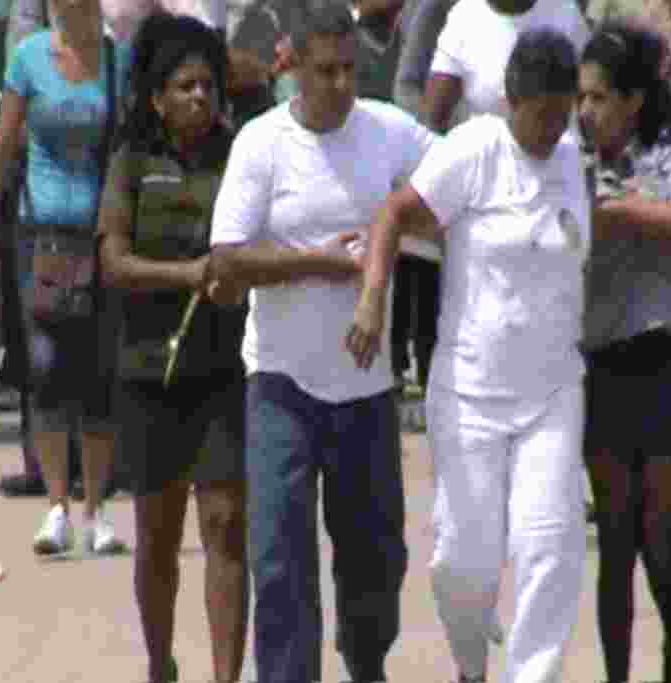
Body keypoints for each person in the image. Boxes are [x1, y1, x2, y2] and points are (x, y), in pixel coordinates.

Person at [347, 29, 590, 683]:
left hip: (553, 393)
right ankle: (470, 664)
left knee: (548, 547)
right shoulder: (475, 148)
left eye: (564, 113)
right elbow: (395, 214)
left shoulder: (571, 157)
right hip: (471, 390)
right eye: (543, 114)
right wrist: (373, 298)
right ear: (512, 101)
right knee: (463, 559)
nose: (553, 128)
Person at [208, 4, 436, 683]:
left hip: (366, 392)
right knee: (279, 562)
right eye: (325, 71)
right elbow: (226, 261)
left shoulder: (389, 132)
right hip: (280, 383)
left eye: (350, 70)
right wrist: (321, 262)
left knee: (377, 562)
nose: (341, 84)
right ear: (292, 66)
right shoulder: (261, 142)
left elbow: (460, 182)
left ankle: (365, 662)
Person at [98, 14, 249, 683]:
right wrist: (187, 274)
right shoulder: (131, 160)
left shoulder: (240, 152)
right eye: (184, 86)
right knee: (158, 536)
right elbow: (113, 260)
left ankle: (224, 674)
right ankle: (161, 663)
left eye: (208, 85)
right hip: (147, 369)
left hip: (221, 367)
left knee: (224, 522)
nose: (199, 96)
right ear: (156, 97)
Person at [576, 23, 671, 683]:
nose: (585, 110)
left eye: (599, 97)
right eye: (582, 97)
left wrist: (618, 211)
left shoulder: (669, 146)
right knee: (617, 543)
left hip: (666, 356)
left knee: (664, 536)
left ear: (632, 100)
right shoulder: (570, 158)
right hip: (604, 361)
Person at [0, 0, 127, 555]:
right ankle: (56, 507)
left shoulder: (118, 60)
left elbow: (130, 149)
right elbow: (2, 150)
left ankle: (98, 510)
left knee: (100, 375)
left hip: (105, 238)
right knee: (47, 371)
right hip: (40, 236)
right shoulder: (28, 59)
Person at [421, 0, 590, 131]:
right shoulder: (465, 15)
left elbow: (590, 97)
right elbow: (433, 118)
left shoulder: (567, 15)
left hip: (556, 159)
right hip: (486, 163)